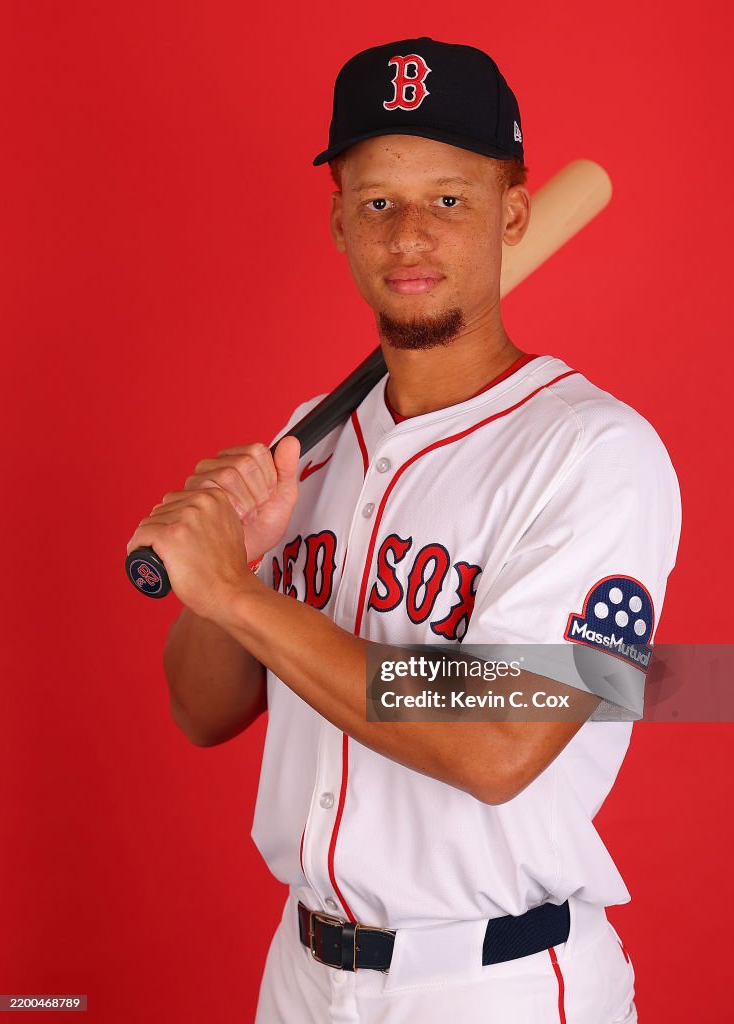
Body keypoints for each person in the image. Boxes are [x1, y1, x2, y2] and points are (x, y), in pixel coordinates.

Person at [126, 37, 681, 1023]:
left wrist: (242, 593)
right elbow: (199, 710)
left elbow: (501, 738)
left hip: (495, 981)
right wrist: (233, 562)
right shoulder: (318, 444)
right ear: (339, 220)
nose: (409, 234)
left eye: (450, 198)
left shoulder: (597, 453)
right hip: (300, 971)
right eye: (377, 200)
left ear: (513, 212)